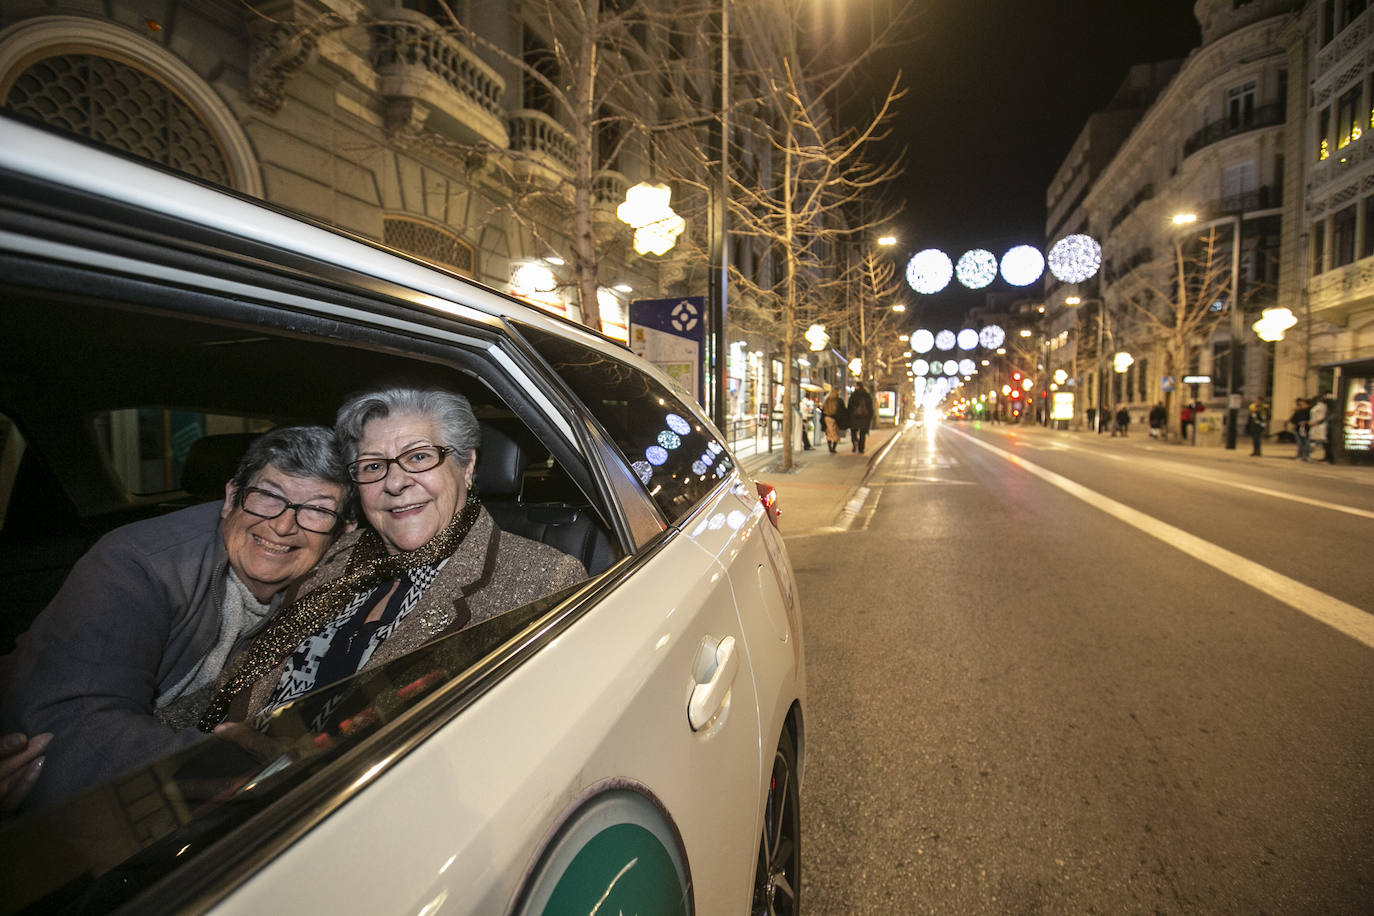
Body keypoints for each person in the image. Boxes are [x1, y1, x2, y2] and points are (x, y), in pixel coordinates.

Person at [0, 427, 352, 811]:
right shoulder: (140, 563)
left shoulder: (328, 588)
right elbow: (71, 735)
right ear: (231, 498)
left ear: (342, 532)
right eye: (268, 496)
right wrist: (244, 767)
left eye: (318, 510)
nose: (282, 526)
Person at [201, 387, 587, 729]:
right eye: (373, 466)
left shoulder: (542, 580)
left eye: (418, 457)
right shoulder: (337, 552)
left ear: (466, 466)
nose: (396, 482)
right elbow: (236, 680)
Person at [847, 382, 874, 453]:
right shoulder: (867, 395)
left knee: (853, 431)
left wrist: (849, 416)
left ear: (857, 386)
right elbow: (870, 407)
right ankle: (861, 448)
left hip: (854, 417)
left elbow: (849, 407)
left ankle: (855, 441)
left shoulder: (853, 395)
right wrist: (870, 416)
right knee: (862, 433)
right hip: (864, 417)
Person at [1308, 391, 1333, 462]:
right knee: (1314, 440)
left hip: (1320, 426)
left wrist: (1317, 422)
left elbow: (1324, 416)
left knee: (1321, 441)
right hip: (1314, 425)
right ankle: (1308, 454)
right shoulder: (1316, 406)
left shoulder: (1324, 406)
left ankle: (1327, 456)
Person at [821, 386, 844, 453]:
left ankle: (830, 447)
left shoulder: (827, 400)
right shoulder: (838, 400)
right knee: (836, 433)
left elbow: (823, 409)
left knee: (829, 433)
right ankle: (833, 448)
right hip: (835, 419)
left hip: (827, 418)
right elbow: (841, 410)